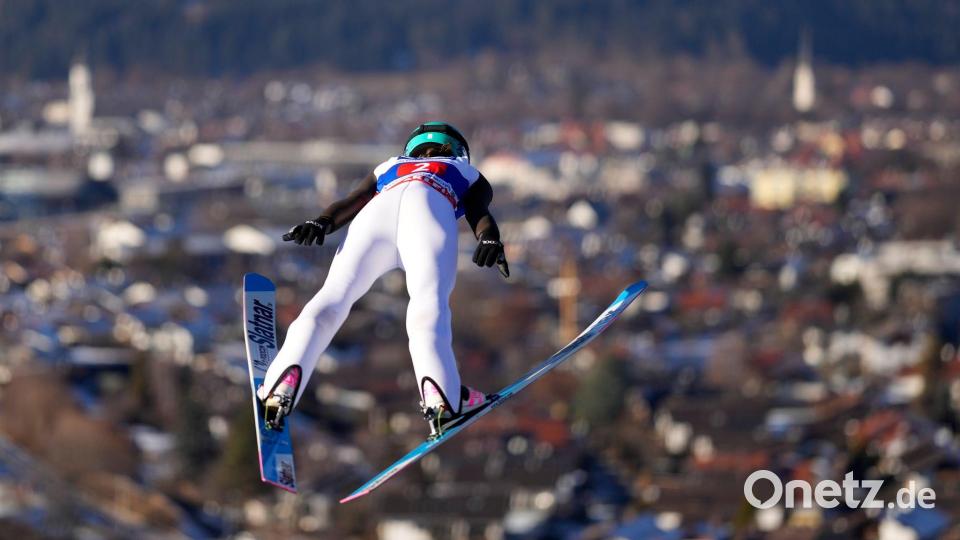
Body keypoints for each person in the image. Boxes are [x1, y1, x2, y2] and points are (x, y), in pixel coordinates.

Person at [257, 122, 508, 437]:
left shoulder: (390, 166)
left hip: (375, 214)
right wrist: (489, 240)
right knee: (427, 303)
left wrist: (320, 223)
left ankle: (280, 383)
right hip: (429, 205)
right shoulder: (463, 171)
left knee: (332, 298)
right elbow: (478, 212)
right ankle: (443, 397)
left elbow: (354, 200)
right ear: (460, 152)